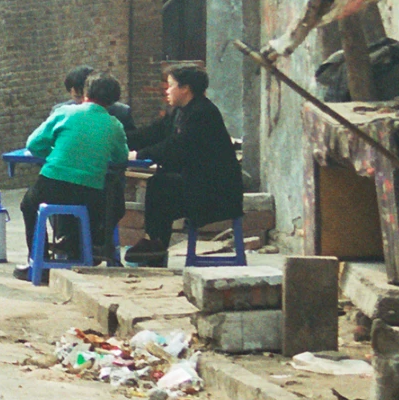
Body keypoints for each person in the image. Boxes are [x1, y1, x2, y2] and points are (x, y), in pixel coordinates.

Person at [124, 64, 244, 266]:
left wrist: (138, 155)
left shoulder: (203, 113)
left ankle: (154, 245)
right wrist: (119, 141)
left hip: (216, 192)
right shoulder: (179, 113)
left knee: (160, 186)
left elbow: (176, 148)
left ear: (185, 88)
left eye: (170, 85)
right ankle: (155, 246)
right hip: (195, 184)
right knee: (161, 186)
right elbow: (152, 133)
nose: (166, 90)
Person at [21, 75, 131, 264]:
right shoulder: (115, 126)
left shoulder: (65, 113)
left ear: (85, 93)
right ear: (114, 100)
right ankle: (82, 253)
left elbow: (34, 144)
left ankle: (38, 259)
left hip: (52, 184)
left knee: (28, 206)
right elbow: (121, 157)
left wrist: (51, 155)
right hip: (90, 193)